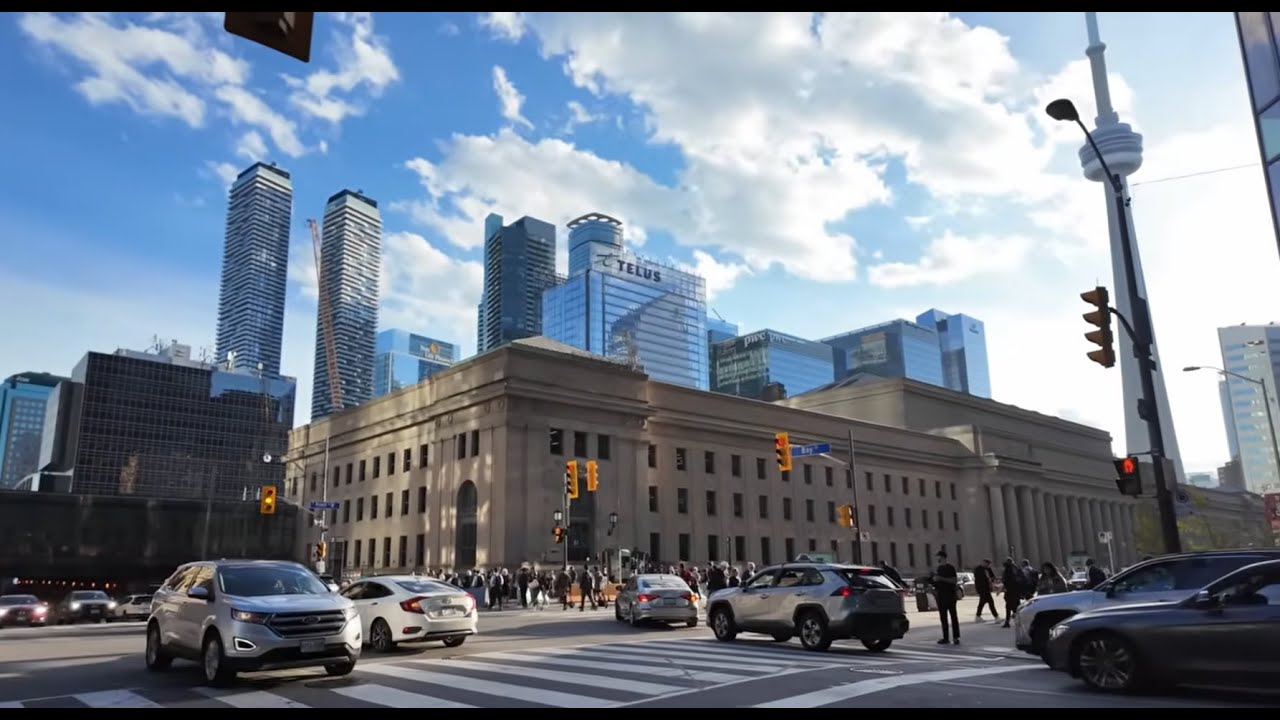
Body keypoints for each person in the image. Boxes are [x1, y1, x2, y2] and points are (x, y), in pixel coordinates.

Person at [931, 550, 960, 644]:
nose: (937, 559)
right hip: (941, 595)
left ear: (942, 557)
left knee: (953, 616)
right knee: (943, 617)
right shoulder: (939, 568)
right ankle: (945, 637)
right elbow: (937, 581)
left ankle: (956, 637)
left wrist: (941, 578)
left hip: (950, 595)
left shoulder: (950, 567)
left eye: (938, 557)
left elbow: (954, 580)